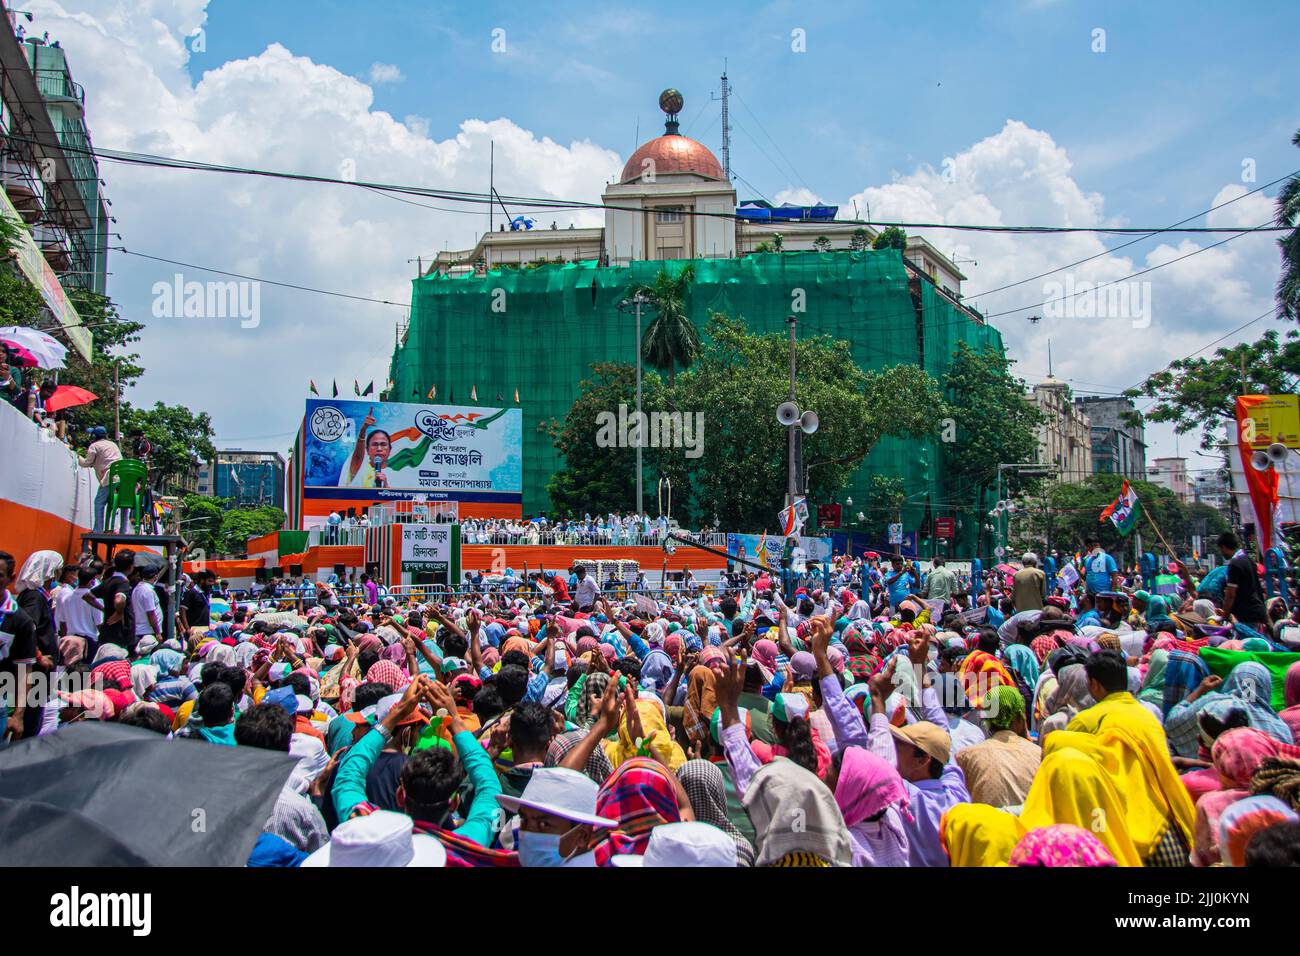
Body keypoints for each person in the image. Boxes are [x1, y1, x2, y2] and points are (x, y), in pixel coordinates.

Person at [1218, 532, 1269, 632]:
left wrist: (1224, 615)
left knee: (1246, 646)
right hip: (1256, 612)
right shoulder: (1248, 560)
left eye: (1220, 549)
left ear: (1223, 547)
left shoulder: (1235, 564)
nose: (1221, 553)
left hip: (1246, 616)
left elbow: (1230, 594)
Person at [79, 426, 123, 533]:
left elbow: (87, 463)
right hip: (122, 477)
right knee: (118, 503)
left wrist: (78, 457)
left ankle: (98, 530)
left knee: (99, 502)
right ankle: (121, 530)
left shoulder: (94, 446)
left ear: (94, 436)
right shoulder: (113, 444)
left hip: (109, 478)